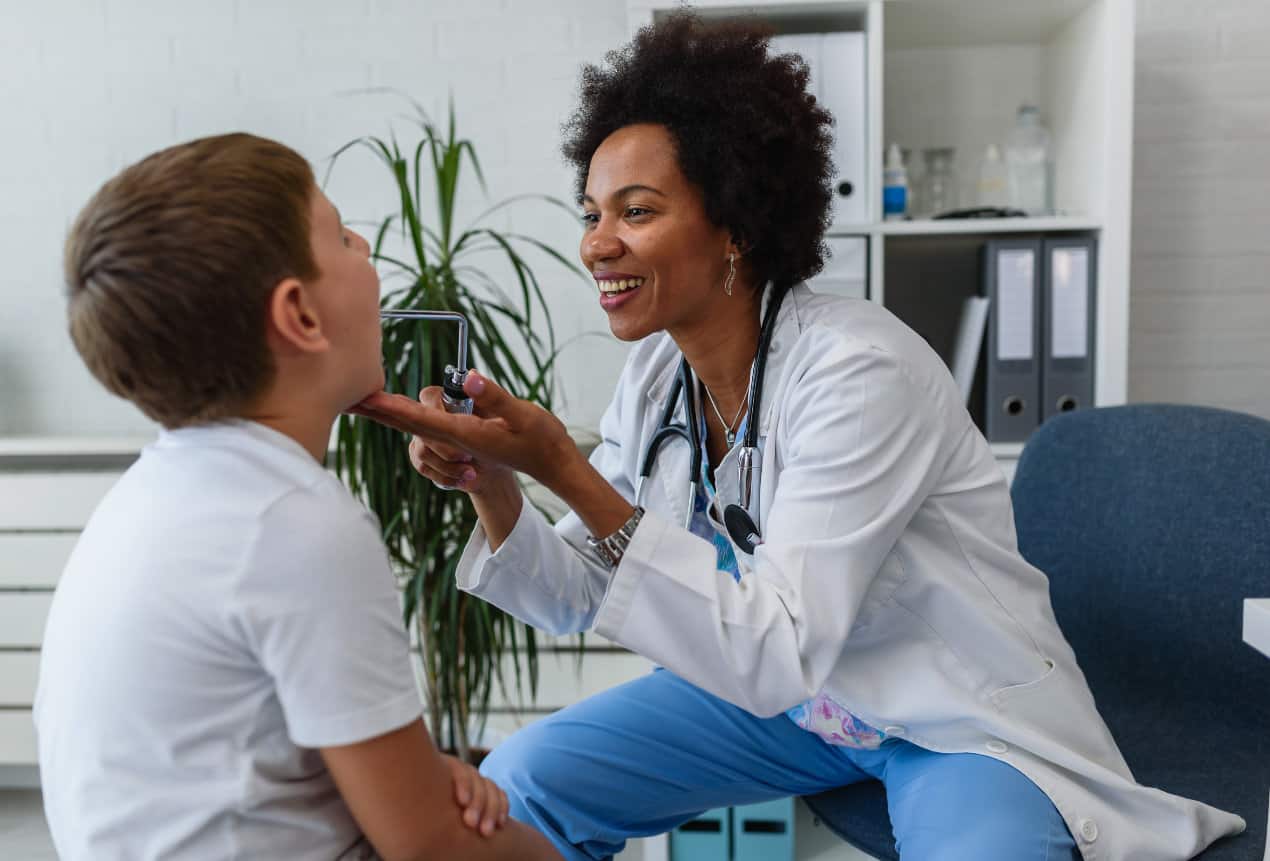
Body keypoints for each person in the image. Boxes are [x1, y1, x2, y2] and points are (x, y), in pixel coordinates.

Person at [350, 13, 1244, 861]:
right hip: (799, 706)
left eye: (636, 211)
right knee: (522, 783)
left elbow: (776, 644)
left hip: (948, 713)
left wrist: (565, 467)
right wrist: (496, 483)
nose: (597, 245)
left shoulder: (860, 373)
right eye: (591, 213)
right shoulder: (659, 379)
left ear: (734, 224)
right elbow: (584, 592)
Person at [35, 133, 561, 861]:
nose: (367, 248)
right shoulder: (296, 524)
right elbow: (433, 847)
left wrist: (413, 776)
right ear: (300, 317)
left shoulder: (153, 499)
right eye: (343, 237)